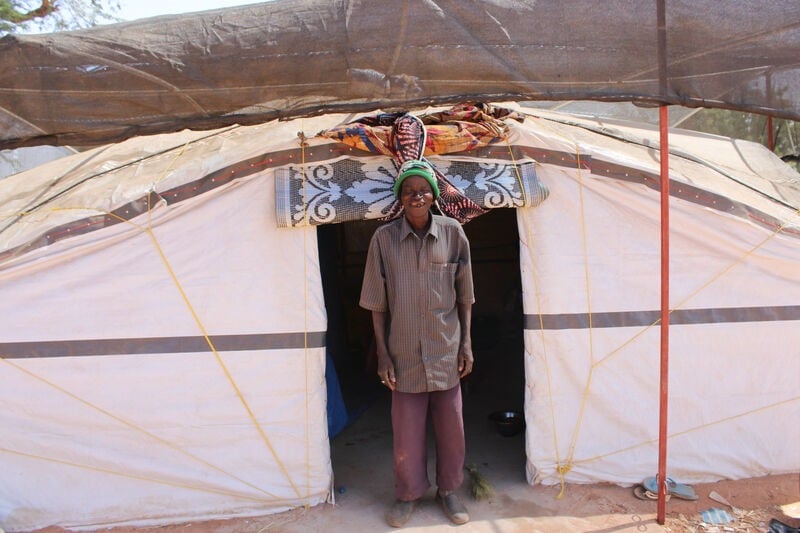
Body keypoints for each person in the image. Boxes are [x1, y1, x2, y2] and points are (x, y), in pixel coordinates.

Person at [359, 159, 475, 527]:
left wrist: (466, 344)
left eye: (423, 190)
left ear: (433, 195)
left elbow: (465, 296)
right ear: (400, 197)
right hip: (404, 354)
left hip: (446, 350)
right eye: (409, 191)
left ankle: (449, 491)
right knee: (406, 434)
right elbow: (376, 304)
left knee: (452, 430)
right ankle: (408, 494)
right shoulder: (384, 239)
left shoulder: (453, 233)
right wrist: (382, 354)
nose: (416, 196)